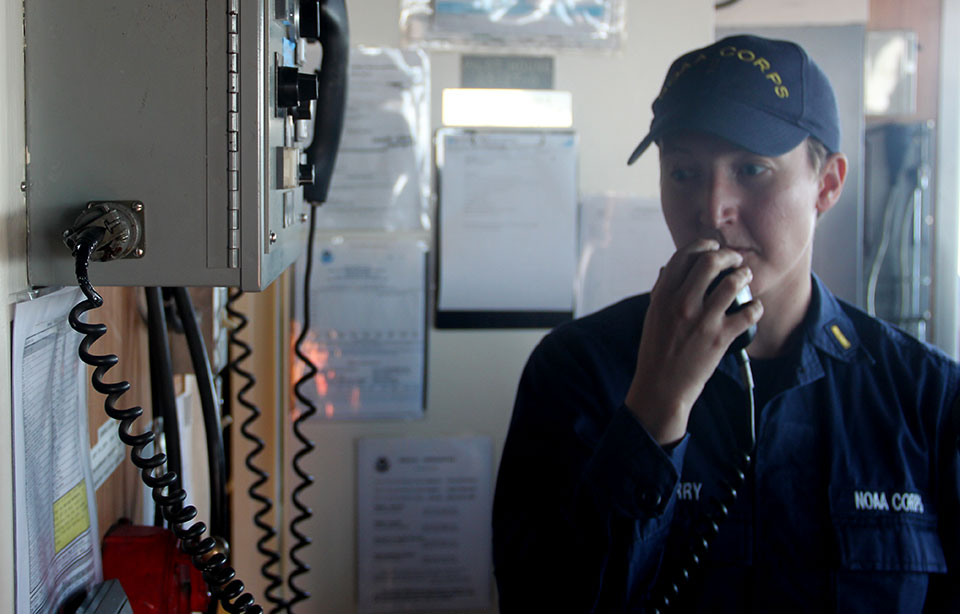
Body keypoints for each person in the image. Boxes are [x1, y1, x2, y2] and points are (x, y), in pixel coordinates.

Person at [491, 34, 960, 613]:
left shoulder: (926, 397)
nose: (714, 210)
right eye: (684, 173)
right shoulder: (574, 372)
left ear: (828, 183)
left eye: (752, 169)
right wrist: (654, 410)